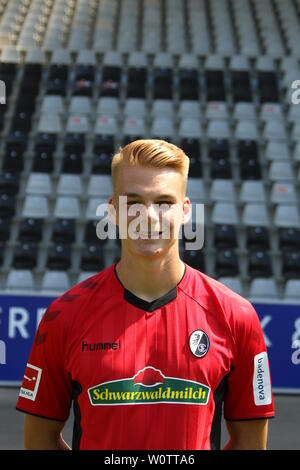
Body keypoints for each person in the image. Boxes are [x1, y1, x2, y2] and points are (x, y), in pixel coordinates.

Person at [16, 139, 275, 450]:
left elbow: (250, 444)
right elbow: (38, 441)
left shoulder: (236, 317)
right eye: (133, 202)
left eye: (164, 202)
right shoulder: (65, 316)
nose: (148, 217)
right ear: (113, 211)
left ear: (185, 211)